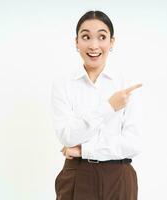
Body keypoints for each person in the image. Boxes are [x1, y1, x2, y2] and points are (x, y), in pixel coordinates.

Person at [51, 10, 142, 200]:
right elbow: (67, 135)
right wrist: (109, 107)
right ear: (76, 42)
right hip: (77, 175)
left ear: (112, 42)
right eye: (86, 37)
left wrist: (83, 150)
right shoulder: (64, 84)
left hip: (119, 177)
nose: (94, 45)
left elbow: (133, 144)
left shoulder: (126, 84)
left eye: (102, 36)